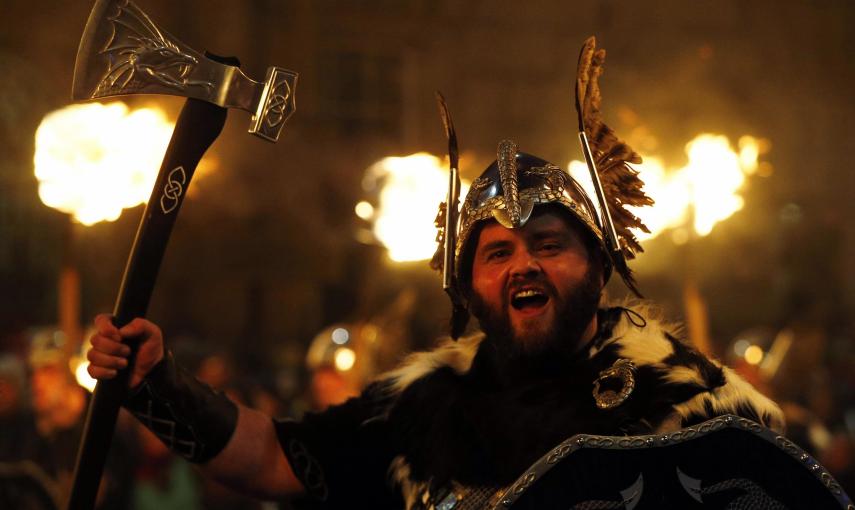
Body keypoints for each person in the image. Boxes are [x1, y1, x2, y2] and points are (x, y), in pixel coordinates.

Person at [85, 38, 791, 508]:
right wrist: (156, 383)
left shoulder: (699, 407)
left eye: (547, 243)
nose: (524, 264)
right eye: (496, 252)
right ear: (468, 289)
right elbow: (271, 457)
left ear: (597, 265)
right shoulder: (422, 408)